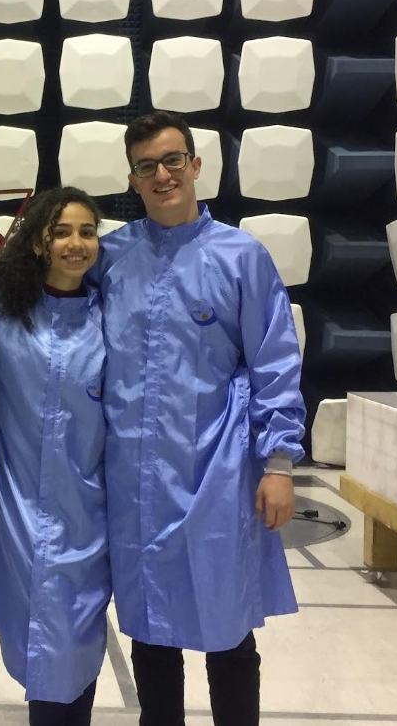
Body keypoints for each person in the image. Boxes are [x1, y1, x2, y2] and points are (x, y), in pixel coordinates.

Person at [98, 111, 306, 726]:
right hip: (135, 478)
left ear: (195, 164)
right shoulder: (110, 257)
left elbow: (274, 359)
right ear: (132, 179)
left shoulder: (242, 256)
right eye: (146, 166)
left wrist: (279, 463)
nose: (162, 175)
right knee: (150, 628)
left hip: (217, 471)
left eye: (172, 161)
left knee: (228, 629)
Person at [0, 188, 112, 726]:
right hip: (22, 504)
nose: (76, 243)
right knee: (42, 637)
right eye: (61, 232)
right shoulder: (1, 308)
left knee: (80, 633)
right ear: (37, 242)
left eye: (87, 232)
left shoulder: (109, 318)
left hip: (91, 508)